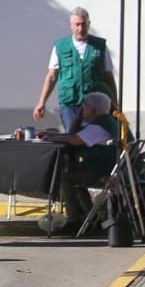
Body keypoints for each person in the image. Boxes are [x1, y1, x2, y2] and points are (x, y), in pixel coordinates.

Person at [38, 90, 120, 230]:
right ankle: (89, 214)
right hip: (106, 167)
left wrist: (52, 137)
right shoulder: (104, 121)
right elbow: (74, 134)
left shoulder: (99, 125)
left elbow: (75, 139)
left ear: (93, 109)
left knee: (66, 177)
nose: (82, 109)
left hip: (102, 171)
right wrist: (55, 136)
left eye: (85, 106)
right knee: (74, 174)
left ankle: (75, 217)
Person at [33, 7, 117, 132]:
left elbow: (109, 77)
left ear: (89, 24)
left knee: (94, 137)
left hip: (95, 104)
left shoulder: (100, 46)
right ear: (71, 25)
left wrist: (115, 102)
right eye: (77, 25)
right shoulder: (60, 46)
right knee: (72, 136)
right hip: (70, 103)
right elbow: (51, 76)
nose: (81, 29)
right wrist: (41, 102)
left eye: (83, 24)